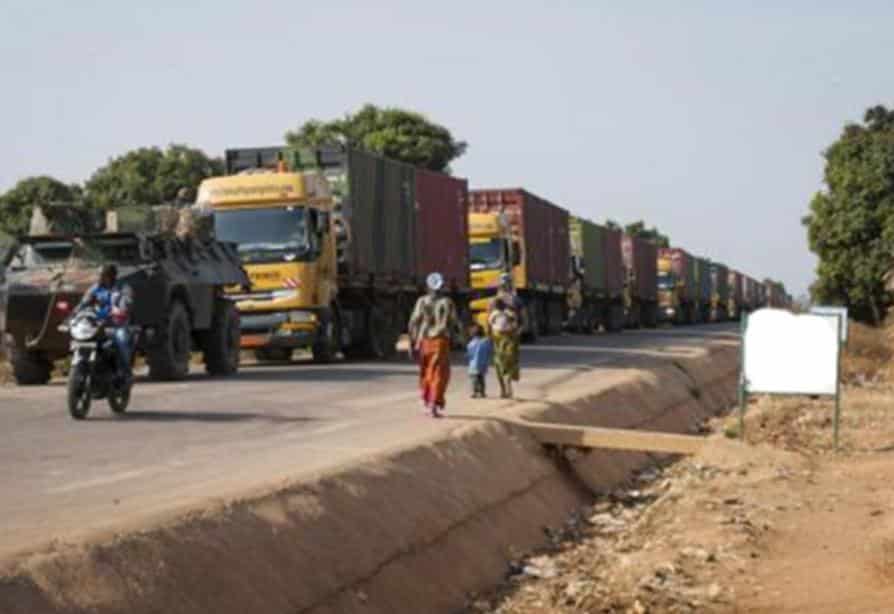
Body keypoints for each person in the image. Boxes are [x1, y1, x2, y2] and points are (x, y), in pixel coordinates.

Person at [408, 272, 464, 417]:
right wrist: (460, 339)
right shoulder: (447, 302)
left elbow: (413, 322)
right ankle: (434, 404)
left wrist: (412, 341)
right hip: (440, 341)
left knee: (426, 372)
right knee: (439, 374)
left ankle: (428, 402)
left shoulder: (421, 301)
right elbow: (455, 322)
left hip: (424, 341)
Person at [77, 264, 134, 383]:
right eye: (99, 275)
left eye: (103, 275)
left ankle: (126, 372)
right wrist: (74, 314)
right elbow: (83, 303)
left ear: (111, 276)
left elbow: (127, 302)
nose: (100, 278)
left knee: (121, 338)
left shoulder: (123, 288)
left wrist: (121, 310)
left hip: (116, 325)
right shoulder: (95, 288)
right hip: (97, 325)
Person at [488, 298, 520, 399]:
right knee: (505, 365)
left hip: (502, 341)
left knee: (502, 364)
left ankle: (505, 388)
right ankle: (505, 386)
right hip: (504, 341)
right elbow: (516, 327)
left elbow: (489, 329)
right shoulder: (504, 315)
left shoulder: (498, 315)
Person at [466, 324, 493, 398]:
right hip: (483, 364)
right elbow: (490, 351)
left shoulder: (471, 344)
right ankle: (482, 392)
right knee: (481, 378)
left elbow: (469, 354)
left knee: (474, 379)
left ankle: (474, 392)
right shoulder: (486, 341)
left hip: (474, 364)